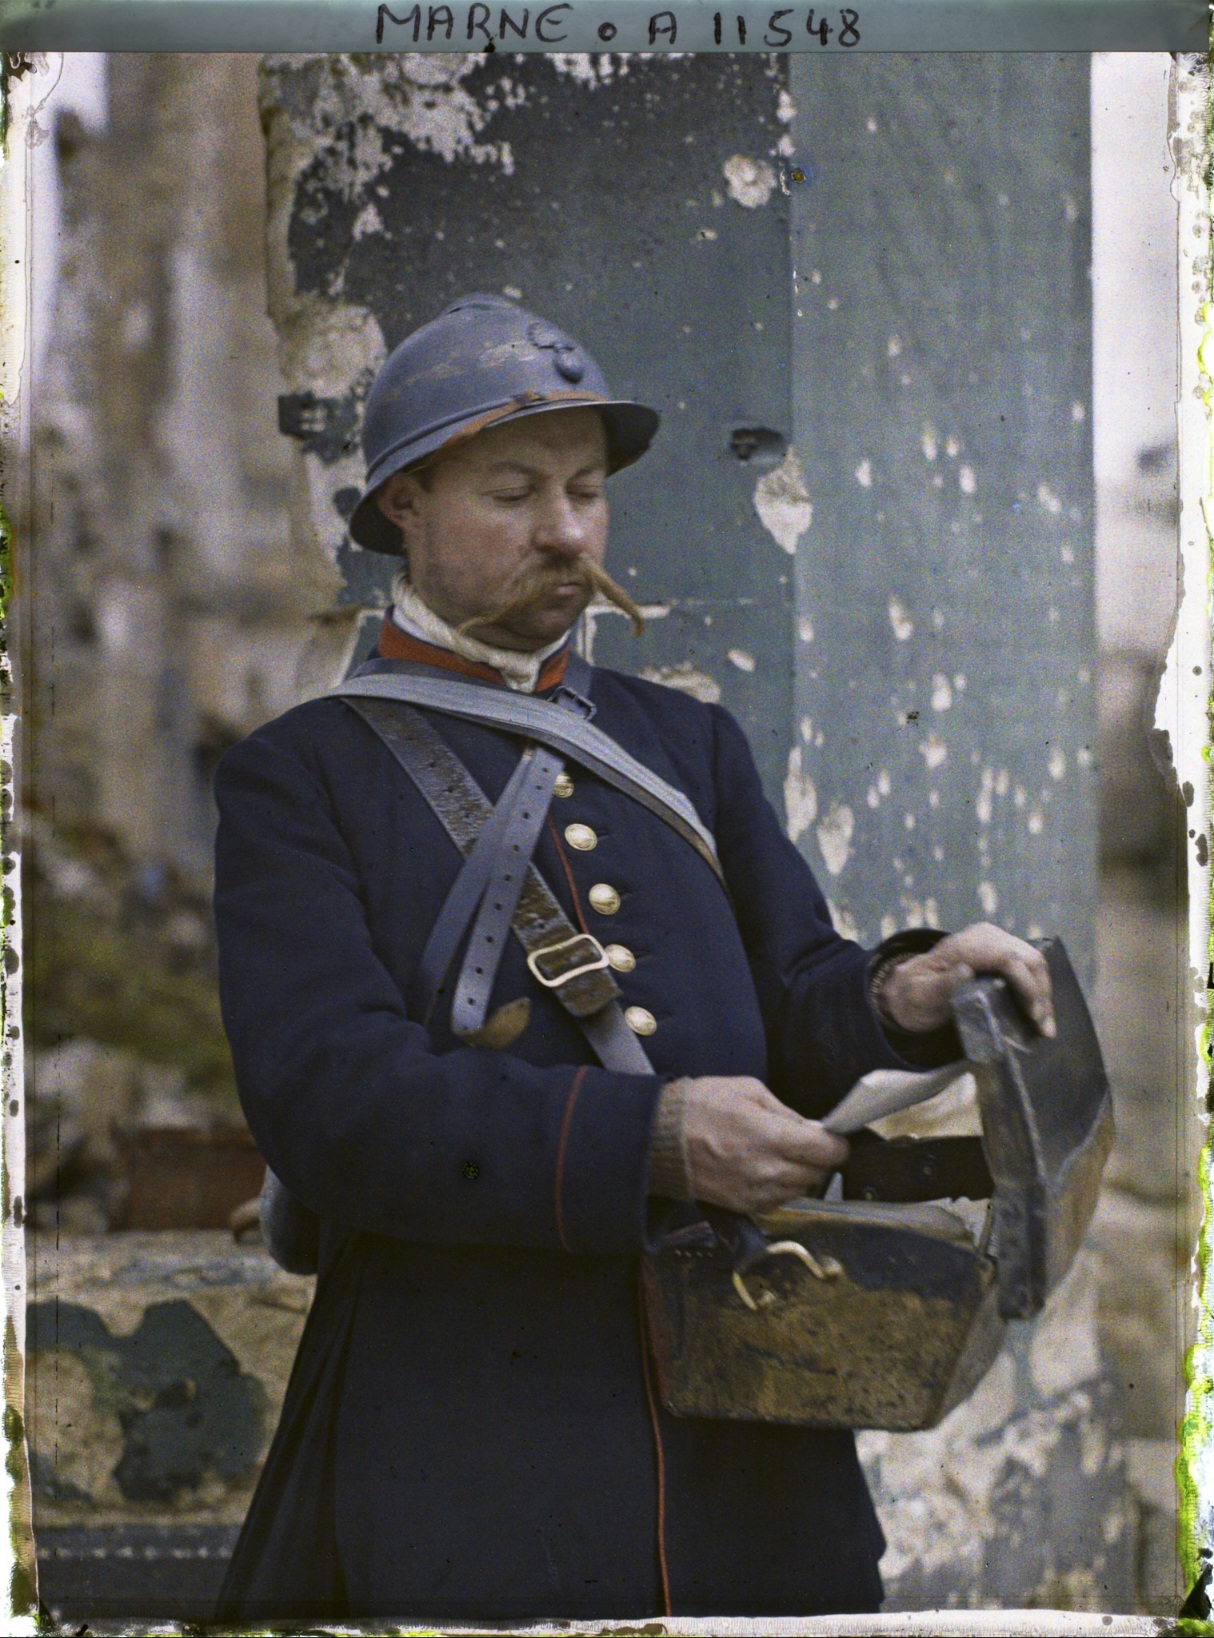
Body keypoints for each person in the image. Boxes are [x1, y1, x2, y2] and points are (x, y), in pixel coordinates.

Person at [212, 295, 1054, 1621]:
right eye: (512, 491)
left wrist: (901, 994)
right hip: (464, 1430)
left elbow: (789, 1003)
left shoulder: (682, 742)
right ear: (403, 510)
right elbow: (330, 1103)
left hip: (744, 1426)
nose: (567, 530)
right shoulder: (299, 776)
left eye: (587, 491)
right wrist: (644, 1141)